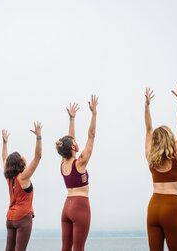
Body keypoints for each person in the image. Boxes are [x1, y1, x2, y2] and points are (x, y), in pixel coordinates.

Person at [145, 82, 177, 251]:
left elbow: (148, 130)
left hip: (153, 208)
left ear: (155, 142)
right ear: (170, 138)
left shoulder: (150, 157)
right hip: (172, 208)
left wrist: (146, 106)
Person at [56, 95, 98, 251]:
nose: (76, 142)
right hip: (80, 206)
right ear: (73, 148)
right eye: (74, 143)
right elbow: (91, 135)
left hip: (67, 207)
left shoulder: (63, 163)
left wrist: (72, 119)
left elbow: (69, 139)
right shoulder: (79, 163)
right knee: (78, 248)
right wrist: (94, 114)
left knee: (65, 248)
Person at [2, 122, 42, 251]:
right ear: (20, 162)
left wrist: (5, 143)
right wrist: (39, 137)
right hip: (23, 217)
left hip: (10, 218)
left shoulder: (9, 177)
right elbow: (37, 157)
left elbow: (4, 159)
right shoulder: (23, 176)